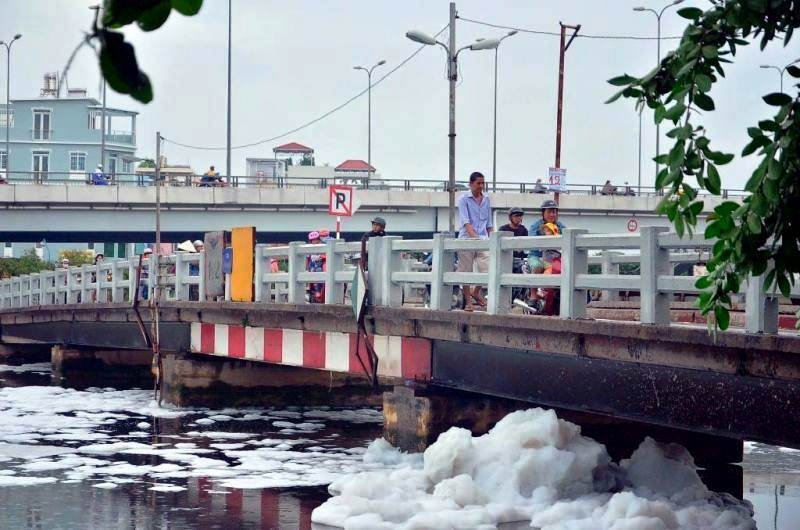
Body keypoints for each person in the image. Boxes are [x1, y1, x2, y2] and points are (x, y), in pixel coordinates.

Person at [457, 171, 492, 311]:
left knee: (489, 268)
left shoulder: (487, 199)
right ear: (471, 184)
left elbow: (488, 223)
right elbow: (466, 221)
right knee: (466, 271)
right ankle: (468, 302)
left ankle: (476, 292)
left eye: (483, 183)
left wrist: (491, 239)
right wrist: (474, 238)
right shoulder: (463, 199)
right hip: (466, 238)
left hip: (483, 238)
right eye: (478, 183)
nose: (481, 186)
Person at [529, 199, 566, 272]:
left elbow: (567, 236)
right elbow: (531, 241)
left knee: (561, 269)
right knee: (537, 267)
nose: (552, 215)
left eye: (554, 212)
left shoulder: (559, 225)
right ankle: (534, 282)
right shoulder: (536, 226)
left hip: (554, 257)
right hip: (536, 256)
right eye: (549, 212)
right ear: (543, 213)